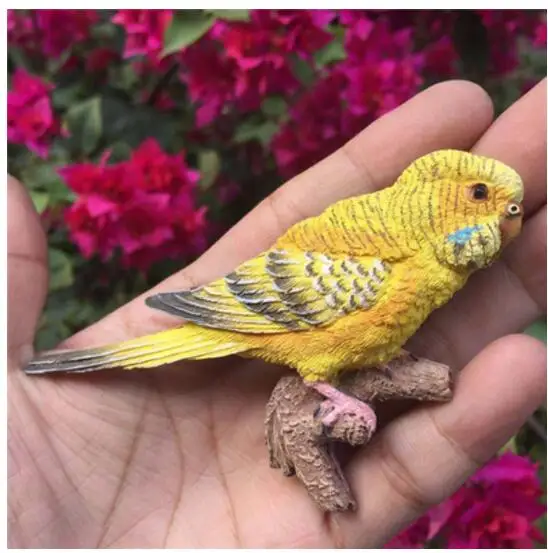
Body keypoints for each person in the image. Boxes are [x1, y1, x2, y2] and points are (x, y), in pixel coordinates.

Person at [8, 79, 546, 548]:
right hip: (279, 325)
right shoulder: (394, 258)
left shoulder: (428, 261)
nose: (507, 214)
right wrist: (336, 391)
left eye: (507, 205)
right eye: (482, 196)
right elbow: (303, 305)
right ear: (441, 198)